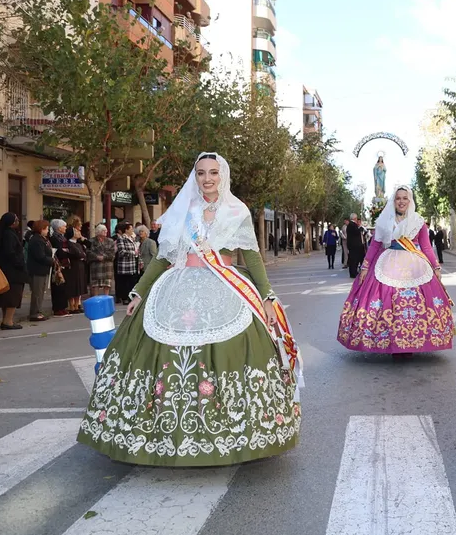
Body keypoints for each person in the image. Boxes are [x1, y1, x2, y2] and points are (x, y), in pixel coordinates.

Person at [78, 152, 302, 467]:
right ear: (194, 177)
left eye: (213, 172)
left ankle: (234, 432)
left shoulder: (237, 211)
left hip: (225, 286)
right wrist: (140, 293)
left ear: (222, 175)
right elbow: (164, 257)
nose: (207, 179)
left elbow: (251, 257)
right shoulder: (183, 210)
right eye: (201, 173)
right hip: (178, 286)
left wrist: (266, 296)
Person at [337, 186, 454, 356]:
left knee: (416, 304)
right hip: (388, 263)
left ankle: (412, 342)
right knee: (390, 303)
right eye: (398, 198)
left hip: (415, 266)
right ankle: (393, 342)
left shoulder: (418, 221)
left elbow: (427, 247)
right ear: (394, 201)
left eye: (405, 198)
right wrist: (365, 267)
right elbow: (375, 245)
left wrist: (435, 267)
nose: (401, 201)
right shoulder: (384, 221)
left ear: (410, 200)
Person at [0, 213, 28, 330]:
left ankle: (6, 320)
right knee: (12, 296)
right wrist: (20, 263)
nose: (18, 222)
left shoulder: (2, 232)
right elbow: (10, 252)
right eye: (16, 220)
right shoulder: (9, 234)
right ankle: (8, 321)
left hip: (6, 269)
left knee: (7, 297)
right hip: (13, 271)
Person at [26, 220, 53, 322]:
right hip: (37, 270)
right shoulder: (37, 240)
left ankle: (38, 311)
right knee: (37, 292)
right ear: (41, 229)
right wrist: (51, 260)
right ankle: (35, 312)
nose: (47, 231)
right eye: (46, 229)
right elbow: (40, 256)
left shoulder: (42, 239)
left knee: (40, 291)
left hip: (41, 269)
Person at [66, 217, 89, 314]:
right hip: (73, 267)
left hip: (80, 266)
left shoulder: (79, 243)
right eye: (76, 230)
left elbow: (84, 254)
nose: (78, 231)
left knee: (79, 287)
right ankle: (71, 306)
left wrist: (82, 255)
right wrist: (81, 255)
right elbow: (77, 254)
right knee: (73, 287)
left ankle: (77, 305)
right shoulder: (69, 243)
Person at [49, 219, 71, 317]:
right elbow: (59, 251)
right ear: (58, 228)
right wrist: (67, 252)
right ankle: (58, 308)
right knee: (58, 286)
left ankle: (63, 307)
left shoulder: (63, 237)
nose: (65, 228)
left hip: (65, 263)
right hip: (58, 264)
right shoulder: (54, 238)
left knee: (64, 288)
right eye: (63, 226)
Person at [89, 224, 116, 297]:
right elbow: (88, 252)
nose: (105, 232)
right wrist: (96, 257)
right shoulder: (91, 241)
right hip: (96, 266)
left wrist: (103, 257)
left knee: (107, 284)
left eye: (106, 230)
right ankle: (95, 298)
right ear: (98, 232)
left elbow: (112, 253)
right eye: (103, 231)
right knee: (95, 285)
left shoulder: (110, 241)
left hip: (107, 266)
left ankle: (106, 299)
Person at [346, 214, 365, 279]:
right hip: (354, 246)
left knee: (354, 259)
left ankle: (354, 272)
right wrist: (360, 229)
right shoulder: (352, 224)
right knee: (354, 260)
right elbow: (356, 232)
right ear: (355, 218)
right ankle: (353, 272)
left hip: (353, 245)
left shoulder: (350, 225)